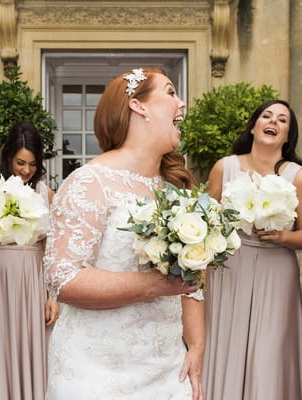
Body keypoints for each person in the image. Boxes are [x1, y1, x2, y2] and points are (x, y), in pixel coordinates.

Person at [44, 67, 204, 400]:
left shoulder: (176, 191)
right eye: (171, 93)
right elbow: (64, 279)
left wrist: (196, 346)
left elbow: (191, 282)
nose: (183, 103)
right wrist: (157, 286)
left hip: (167, 368)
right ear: (138, 106)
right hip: (96, 370)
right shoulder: (90, 183)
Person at [203, 99, 302, 399]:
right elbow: (206, 221)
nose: (274, 122)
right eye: (267, 116)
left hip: (276, 269)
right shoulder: (223, 167)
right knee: (226, 339)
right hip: (229, 267)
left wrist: (282, 236)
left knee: (269, 348)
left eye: (283, 121)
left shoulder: (299, 177)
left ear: (287, 136)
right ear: (253, 127)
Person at [0, 120, 59, 400]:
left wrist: (52, 296)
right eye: (20, 162)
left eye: (32, 164)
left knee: (29, 346)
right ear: (7, 156)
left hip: (30, 280)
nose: (26, 170)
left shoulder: (45, 193)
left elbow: (50, 248)